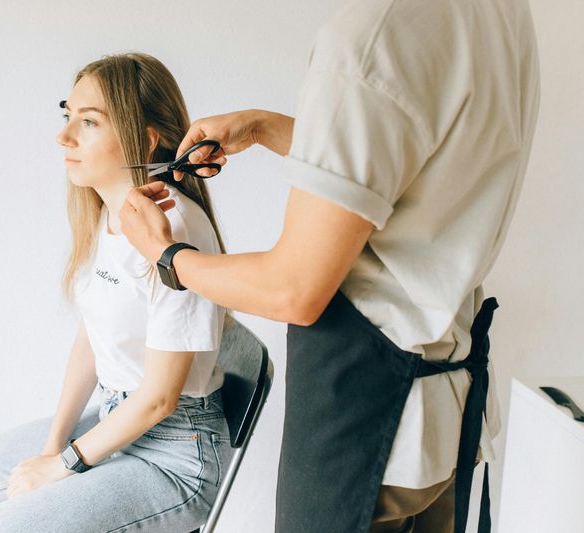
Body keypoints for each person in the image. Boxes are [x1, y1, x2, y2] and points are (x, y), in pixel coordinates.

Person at [119, 1, 541, 532]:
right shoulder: (498, 12)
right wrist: (269, 127)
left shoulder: (372, 37)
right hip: (447, 423)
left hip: (371, 432)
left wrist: (168, 257)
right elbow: (424, 166)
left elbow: (294, 288)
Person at [0, 52, 233, 533]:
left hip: (176, 457)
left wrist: (63, 465)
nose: (63, 137)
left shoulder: (174, 230)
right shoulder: (111, 214)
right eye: (68, 116)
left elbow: (159, 399)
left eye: (88, 122)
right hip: (116, 417)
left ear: (147, 137)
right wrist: (53, 446)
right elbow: (92, 339)